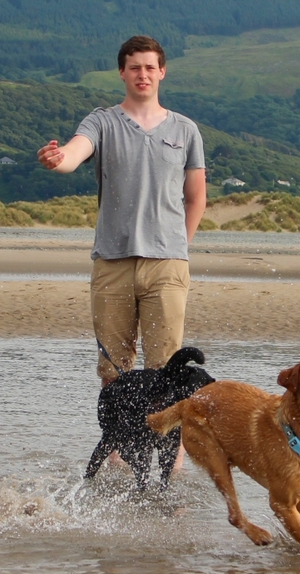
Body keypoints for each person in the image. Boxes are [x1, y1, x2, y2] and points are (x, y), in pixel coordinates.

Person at [37, 35, 207, 386]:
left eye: (149, 67)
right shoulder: (101, 122)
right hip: (112, 261)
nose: (142, 74)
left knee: (167, 369)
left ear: (162, 72)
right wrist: (58, 160)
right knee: (113, 369)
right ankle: (116, 442)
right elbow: (74, 152)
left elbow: (196, 198)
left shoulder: (185, 130)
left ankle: (169, 443)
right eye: (134, 68)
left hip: (167, 264)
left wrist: (179, 246)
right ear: (122, 73)